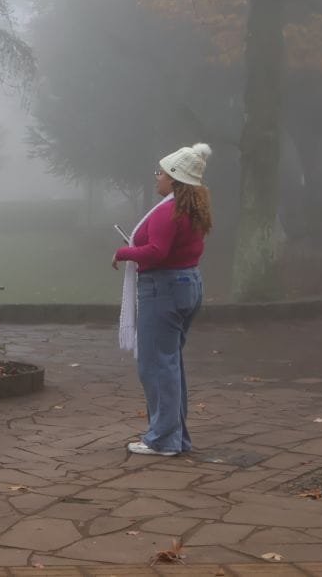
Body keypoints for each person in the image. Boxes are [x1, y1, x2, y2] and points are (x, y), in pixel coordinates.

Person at [111, 142, 213, 457]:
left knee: (155, 365)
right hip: (188, 284)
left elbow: (156, 253)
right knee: (169, 364)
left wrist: (123, 251)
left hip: (163, 289)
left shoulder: (168, 211)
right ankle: (174, 436)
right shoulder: (191, 207)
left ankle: (163, 439)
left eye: (161, 173)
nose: (156, 177)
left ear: (174, 179)